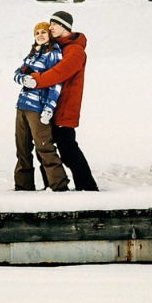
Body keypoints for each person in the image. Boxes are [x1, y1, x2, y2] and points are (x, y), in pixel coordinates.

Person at [28, 10, 97, 191]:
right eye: (50, 24)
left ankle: (88, 187)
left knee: (67, 150)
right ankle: (53, 186)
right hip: (48, 106)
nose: (50, 28)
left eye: (54, 24)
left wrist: (35, 80)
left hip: (65, 107)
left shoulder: (75, 51)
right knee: (44, 148)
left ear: (65, 26)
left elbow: (59, 74)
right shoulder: (55, 47)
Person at [11, 23, 68, 191]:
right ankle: (23, 186)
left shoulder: (54, 54)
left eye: (44, 32)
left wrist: (49, 107)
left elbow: (57, 82)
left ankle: (59, 186)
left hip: (38, 108)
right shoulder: (33, 53)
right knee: (22, 148)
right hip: (22, 106)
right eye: (37, 32)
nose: (40, 35)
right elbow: (16, 73)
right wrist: (22, 79)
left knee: (45, 148)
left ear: (49, 35)